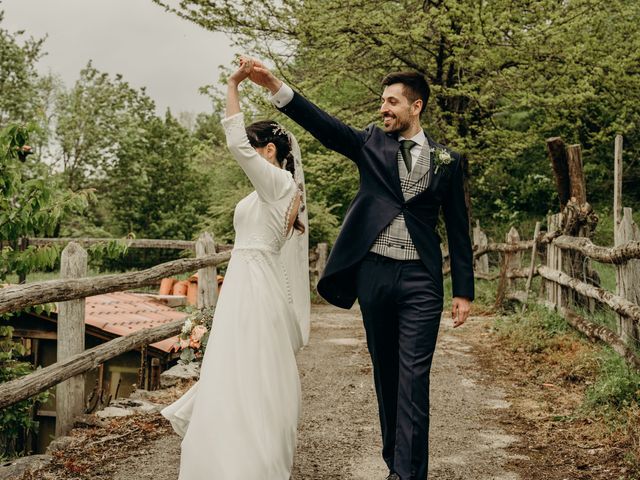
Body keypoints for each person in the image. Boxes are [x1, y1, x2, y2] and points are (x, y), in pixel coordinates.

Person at [245, 60, 474, 480]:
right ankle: (395, 463)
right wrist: (276, 86)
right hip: (375, 275)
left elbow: (459, 230)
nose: (383, 109)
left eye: (392, 102)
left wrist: (464, 291)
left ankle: (408, 474)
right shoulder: (370, 142)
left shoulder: (447, 161)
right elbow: (325, 125)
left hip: (422, 280)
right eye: (382, 102)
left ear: (416, 106)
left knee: (414, 378)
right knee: (387, 375)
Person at [161, 59, 310, 480]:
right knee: (232, 369)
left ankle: (251, 464)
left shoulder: (279, 184)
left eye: (254, 148)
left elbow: (234, 145)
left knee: (250, 370)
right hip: (247, 281)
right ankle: (222, 459)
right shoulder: (274, 191)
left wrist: (233, 85)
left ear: (269, 152)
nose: (248, 157)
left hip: (255, 287)